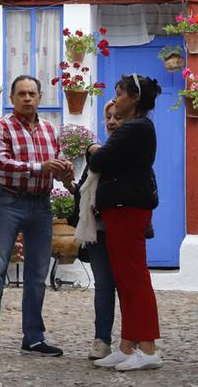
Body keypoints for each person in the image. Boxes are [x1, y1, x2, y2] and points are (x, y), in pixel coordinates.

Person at [0, 75, 72, 357]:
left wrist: (63, 171)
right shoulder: (1, 127)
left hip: (41, 205)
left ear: (40, 97)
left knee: (37, 274)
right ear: (12, 99)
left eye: (32, 93)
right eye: (21, 94)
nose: (27, 98)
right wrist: (40, 167)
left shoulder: (50, 130)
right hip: (9, 202)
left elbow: (57, 159)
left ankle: (33, 337)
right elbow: (2, 164)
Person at [86, 73, 163, 372]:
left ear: (134, 99)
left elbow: (99, 161)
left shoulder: (136, 128)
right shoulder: (133, 128)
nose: (115, 98)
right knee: (125, 281)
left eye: (120, 93)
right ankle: (127, 345)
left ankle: (148, 348)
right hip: (119, 210)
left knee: (135, 280)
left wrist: (93, 149)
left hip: (128, 210)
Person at [61, 101, 121, 360]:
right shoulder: (99, 151)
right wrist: (69, 185)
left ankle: (133, 341)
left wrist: (92, 151)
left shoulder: (125, 151)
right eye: (108, 117)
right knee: (104, 285)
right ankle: (102, 340)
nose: (111, 121)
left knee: (127, 285)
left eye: (117, 117)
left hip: (122, 227)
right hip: (97, 229)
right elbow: (86, 193)